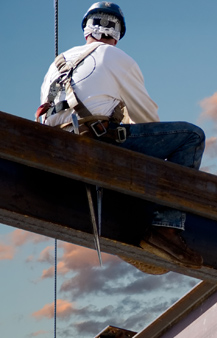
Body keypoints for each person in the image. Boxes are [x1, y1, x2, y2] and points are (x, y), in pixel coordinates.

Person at [37, 2, 205, 271]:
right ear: (117, 35)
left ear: (86, 31)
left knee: (121, 140)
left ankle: (131, 217)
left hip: (54, 148)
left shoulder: (57, 64)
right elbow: (147, 118)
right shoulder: (116, 58)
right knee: (191, 137)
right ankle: (166, 230)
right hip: (94, 144)